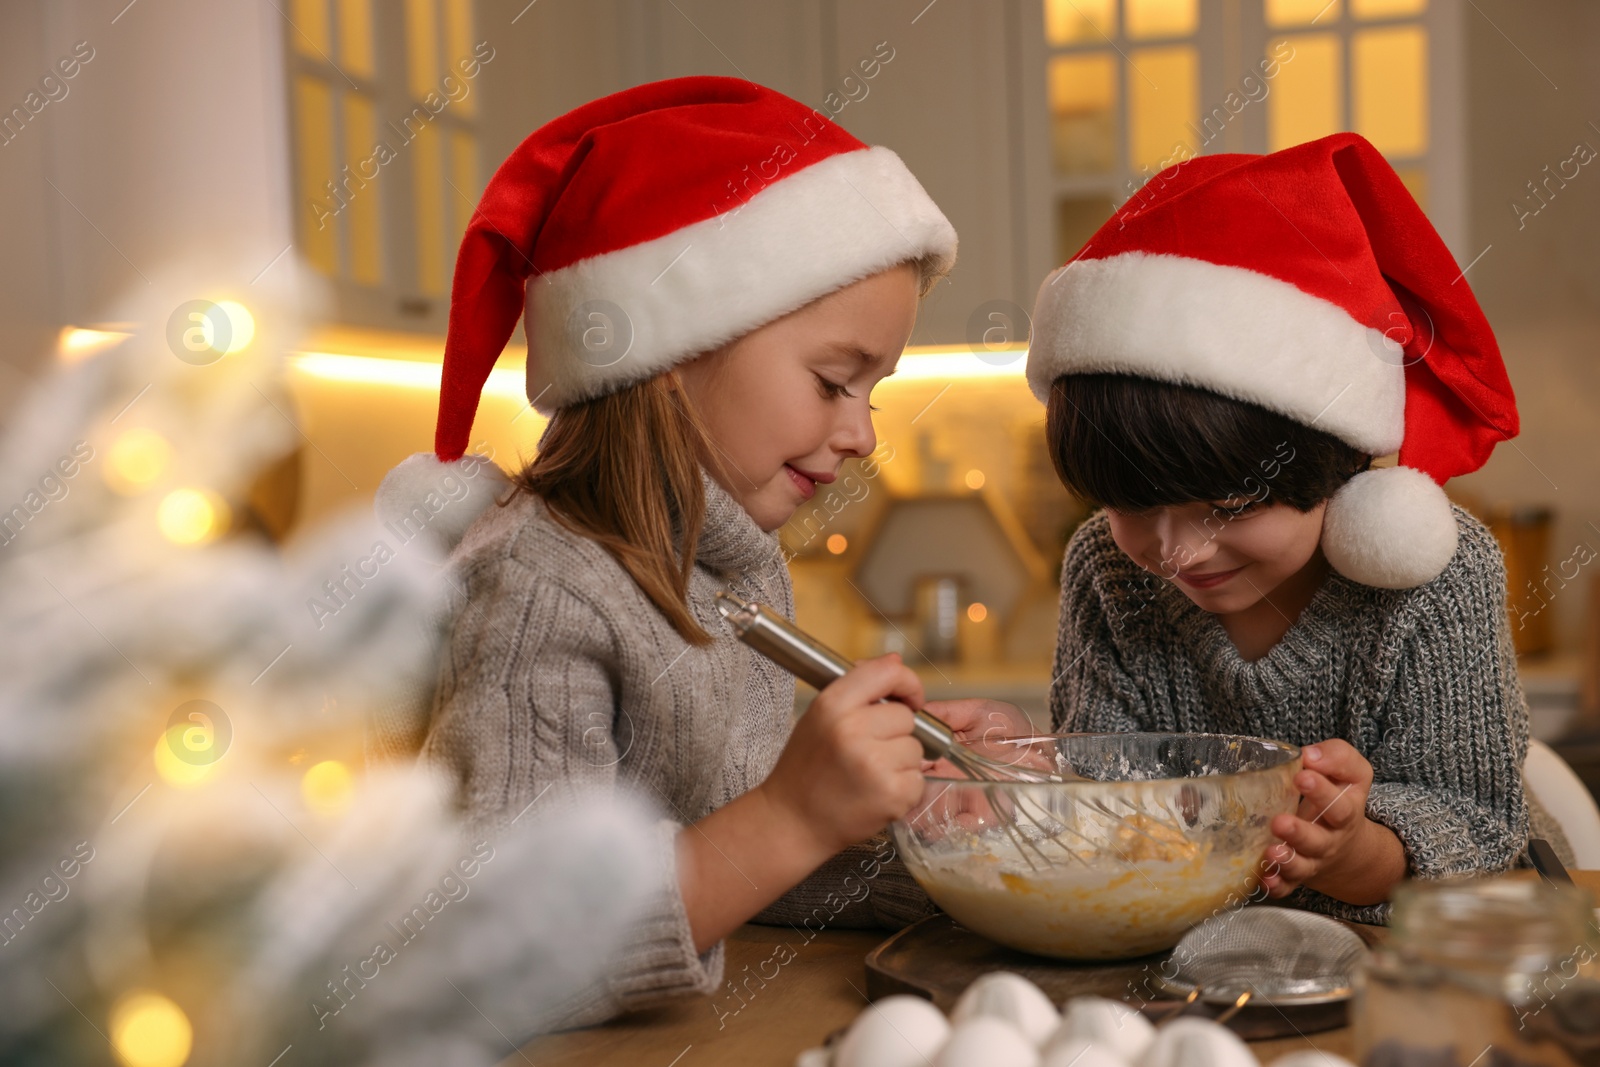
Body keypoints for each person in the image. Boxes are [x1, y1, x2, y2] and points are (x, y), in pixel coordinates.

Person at [374, 76, 961, 1028]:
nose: (860, 434)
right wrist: (793, 815)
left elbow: (723, 863)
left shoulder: (735, 566)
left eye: (874, 393)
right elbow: (511, 948)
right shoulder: (537, 588)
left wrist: (917, 829)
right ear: (672, 355)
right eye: (833, 380)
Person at [1018, 132, 1562, 923]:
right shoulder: (1107, 567)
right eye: (1132, 503)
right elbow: (1102, 808)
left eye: (1228, 506)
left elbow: (1477, 827)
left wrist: (1352, 855)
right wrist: (1030, 769)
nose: (1174, 550)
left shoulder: (1434, 578)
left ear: (1329, 466)